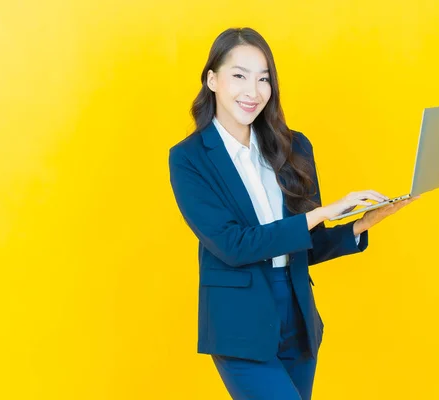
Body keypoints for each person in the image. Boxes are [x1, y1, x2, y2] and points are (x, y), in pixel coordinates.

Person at [168, 27, 418, 400]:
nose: (253, 91)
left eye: (264, 79)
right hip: (240, 325)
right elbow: (234, 245)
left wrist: (360, 226)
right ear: (212, 80)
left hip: (298, 318)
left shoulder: (294, 147)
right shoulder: (189, 159)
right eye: (239, 76)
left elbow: (305, 245)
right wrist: (323, 213)